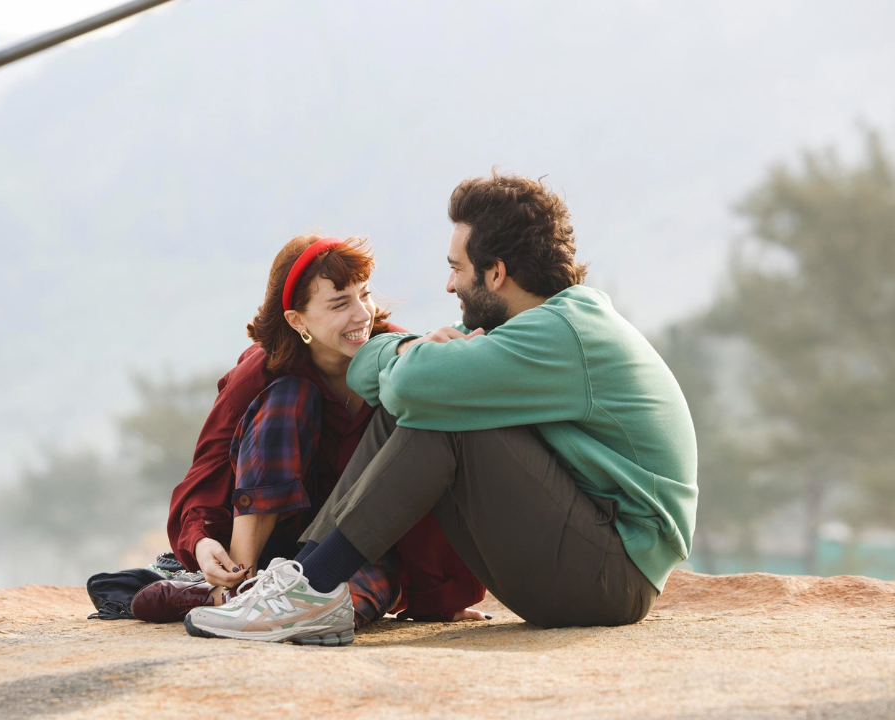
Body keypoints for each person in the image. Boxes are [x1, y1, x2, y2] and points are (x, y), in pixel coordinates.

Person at [184, 172, 699, 645]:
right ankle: (306, 578)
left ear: (495, 273)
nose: (449, 285)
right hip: (579, 558)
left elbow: (409, 386)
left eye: (457, 269)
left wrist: (409, 359)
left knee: (442, 417)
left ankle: (311, 587)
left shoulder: (561, 334)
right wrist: (411, 350)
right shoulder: (522, 326)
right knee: (426, 403)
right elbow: (380, 378)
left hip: (615, 576)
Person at [133, 235, 486, 630]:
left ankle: (230, 600)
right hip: (271, 543)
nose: (362, 314)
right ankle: (239, 586)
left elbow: (434, 470)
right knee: (290, 395)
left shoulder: (401, 358)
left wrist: (439, 599)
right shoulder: (260, 373)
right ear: (297, 320)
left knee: (341, 608)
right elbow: (207, 471)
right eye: (339, 304)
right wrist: (201, 541)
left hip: (353, 546)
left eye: (364, 295)